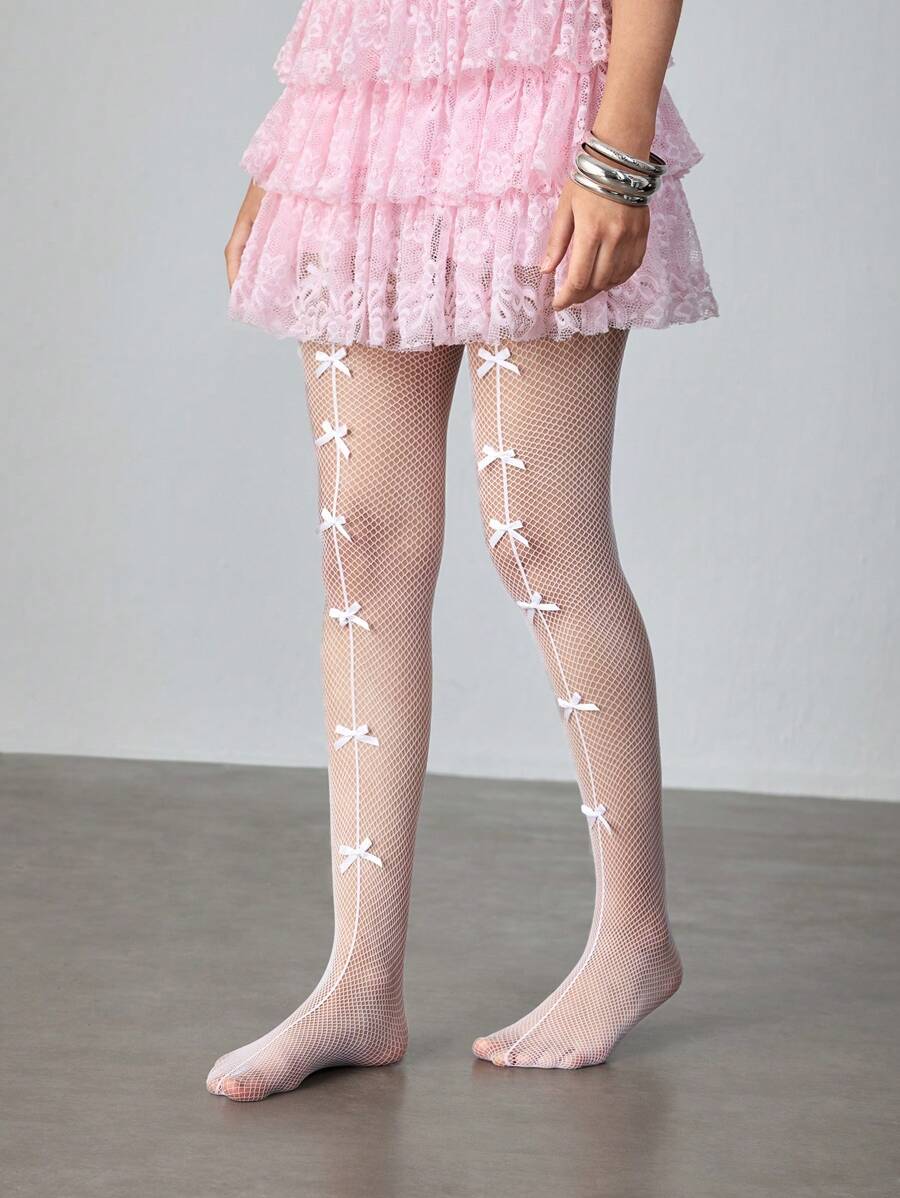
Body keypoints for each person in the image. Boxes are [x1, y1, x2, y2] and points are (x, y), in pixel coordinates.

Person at [207, 0, 717, 1101]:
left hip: (540, 87)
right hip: (362, 100)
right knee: (363, 540)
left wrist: (620, 148)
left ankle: (634, 936)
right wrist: (294, 139)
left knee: (541, 532)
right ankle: (358, 984)